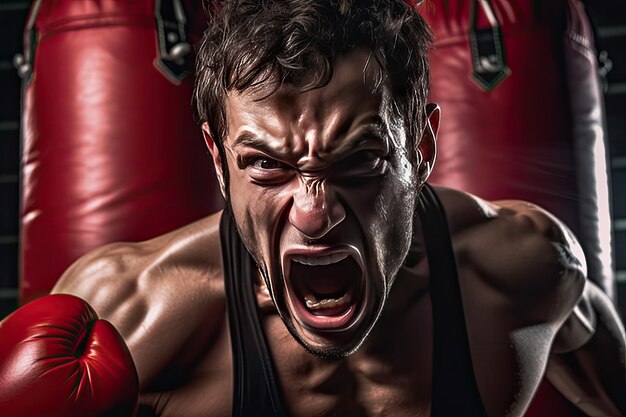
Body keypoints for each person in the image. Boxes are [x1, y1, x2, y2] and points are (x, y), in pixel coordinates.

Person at [50, 0, 626, 416]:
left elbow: (589, 328)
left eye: (358, 161)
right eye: (267, 165)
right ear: (218, 161)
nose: (313, 214)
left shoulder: (517, 268)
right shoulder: (130, 316)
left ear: (421, 149)